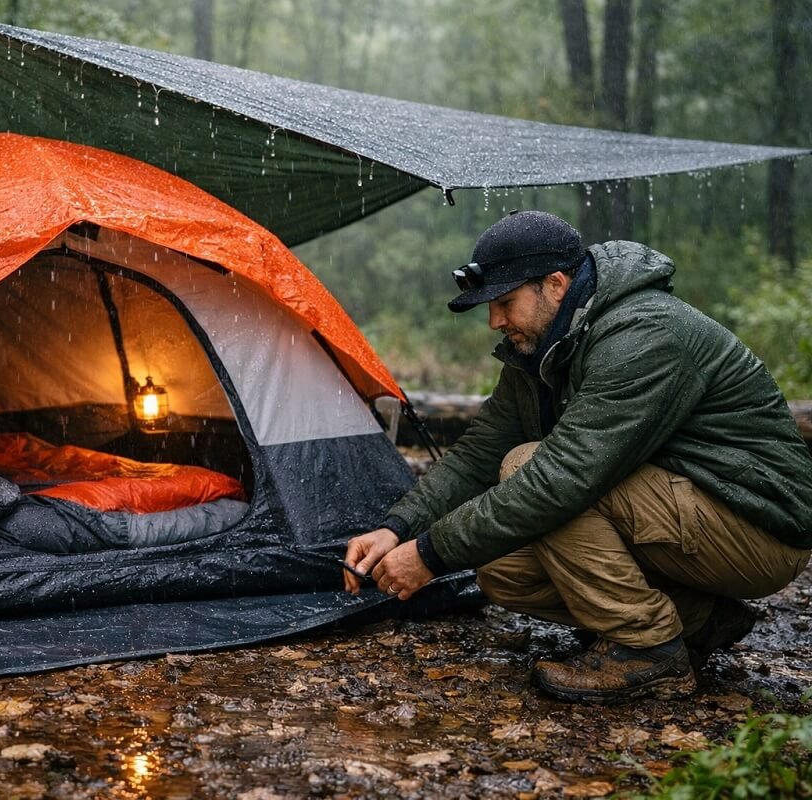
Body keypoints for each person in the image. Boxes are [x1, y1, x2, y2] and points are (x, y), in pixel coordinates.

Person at [343, 210, 812, 703]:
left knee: (528, 467)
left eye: (505, 303)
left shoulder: (644, 335)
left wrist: (429, 555)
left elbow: (560, 479)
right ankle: (699, 620)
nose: (494, 321)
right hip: (684, 511)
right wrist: (399, 527)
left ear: (556, 284)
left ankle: (650, 651)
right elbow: (478, 453)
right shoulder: (544, 348)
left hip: (759, 528)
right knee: (501, 569)